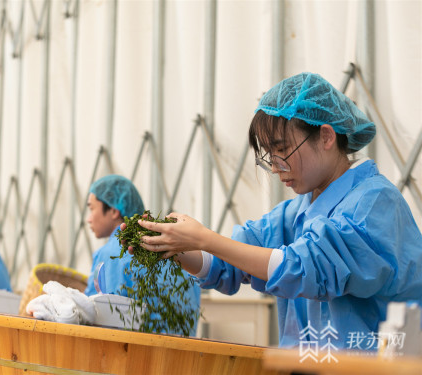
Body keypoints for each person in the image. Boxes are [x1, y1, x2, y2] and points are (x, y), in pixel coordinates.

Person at [133, 72, 422, 349]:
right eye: (269, 155)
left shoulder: (374, 203)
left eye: (282, 150)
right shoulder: (295, 213)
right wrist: (170, 244)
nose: (274, 167)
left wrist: (204, 238)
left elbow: (307, 268)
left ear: (326, 136)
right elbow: (230, 260)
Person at [84, 174, 201, 336]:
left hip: (138, 355)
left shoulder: (110, 255)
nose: (88, 219)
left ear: (113, 210)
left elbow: (92, 315)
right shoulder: (177, 249)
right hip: (184, 353)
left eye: (91, 209)